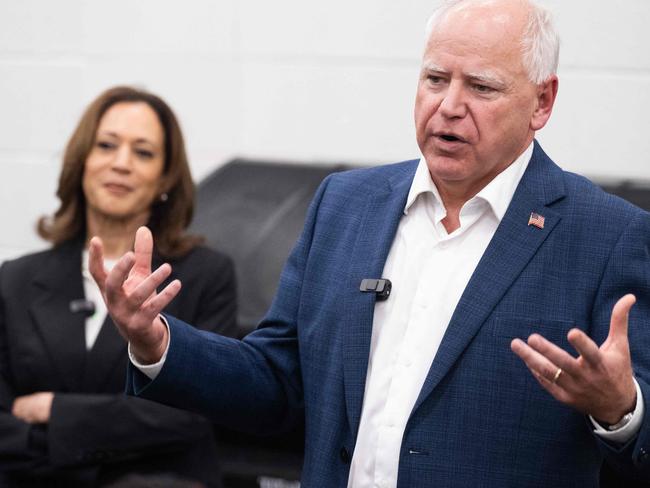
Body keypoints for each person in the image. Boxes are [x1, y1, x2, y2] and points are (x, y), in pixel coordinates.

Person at [90, 1, 650, 486]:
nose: (449, 106)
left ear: (542, 103)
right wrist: (158, 342)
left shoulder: (607, 235)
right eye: (435, 79)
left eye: (481, 87)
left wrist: (620, 410)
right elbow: (278, 381)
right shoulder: (345, 204)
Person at [0, 86, 237, 487]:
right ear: (83, 162)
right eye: (106, 145)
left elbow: (194, 412)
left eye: (143, 152)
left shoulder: (204, 276)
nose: (121, 163)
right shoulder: (15, 279)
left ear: (166, 176)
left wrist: (56, 411)